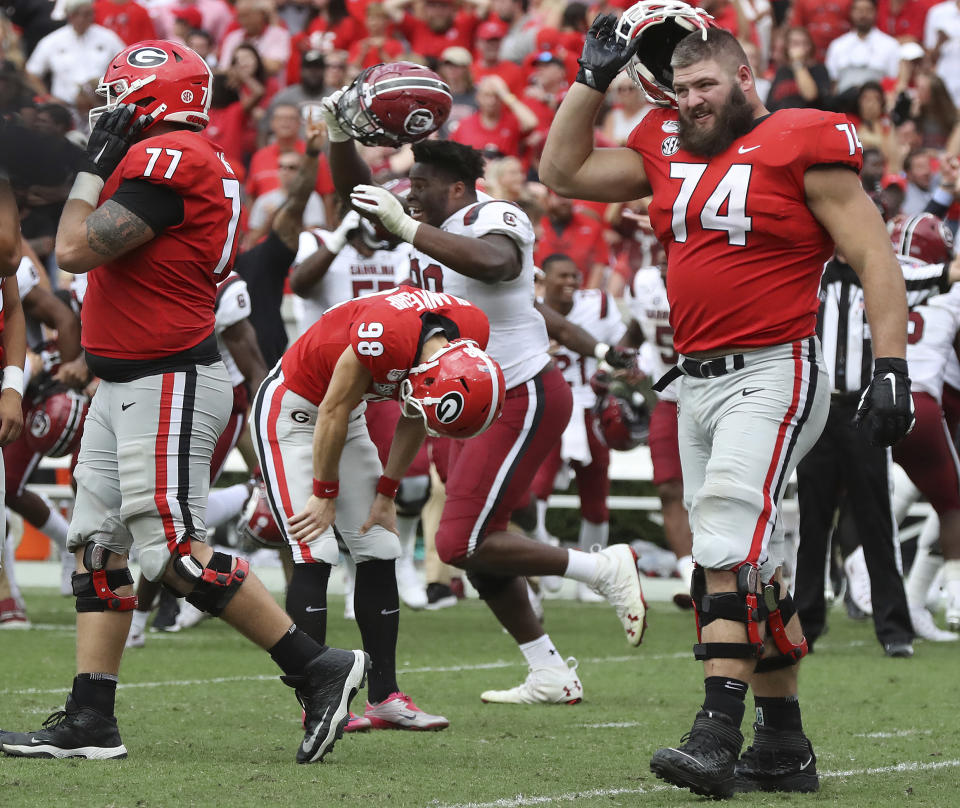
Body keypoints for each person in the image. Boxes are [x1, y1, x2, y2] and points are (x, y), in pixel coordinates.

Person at [540, 14, 913, 798]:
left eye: (706, 85)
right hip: (696, 376)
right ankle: (782, 744)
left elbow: (873, 251)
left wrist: (891, 367)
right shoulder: (662, 143)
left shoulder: (801, 137)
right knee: (746, 560)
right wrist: (587, 82)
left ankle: (716, 730)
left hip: (776, 367)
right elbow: (563, 171)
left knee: (719, 531)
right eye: (681, 90)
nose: (693, 102)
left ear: (746, 78)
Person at [0, 41, 367, 764]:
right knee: (98, 550)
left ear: (153, 100)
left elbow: (72, 249)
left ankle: (317, 667)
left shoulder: (172, 158)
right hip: (126, 378)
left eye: (119, 101)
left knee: (173, 555)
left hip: (167, 376)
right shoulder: (176, 158)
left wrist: (88, 168)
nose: (109, 116)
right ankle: (91, 718)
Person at [325, 110, 648, 706]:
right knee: (478, 546)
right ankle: (548, 670)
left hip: (516, 392)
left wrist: (408, 226)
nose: (409, 195)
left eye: (421, 185)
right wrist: (338, 133)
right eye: (408, 186)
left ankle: (602, 568)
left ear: (455, 187)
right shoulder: (417, 242)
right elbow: (360, 195)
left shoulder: (491, 215)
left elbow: (497, 262)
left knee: (459, 542)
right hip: (455, 402)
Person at [251, 287, 503, 730]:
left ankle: (384, 696)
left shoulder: (467, 337)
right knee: (316, 550)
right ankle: (318, 700)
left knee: (380, 544)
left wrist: (387, 492)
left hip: (345, 417)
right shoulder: (384, 336)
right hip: (293, 412)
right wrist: (324, 493)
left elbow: (415, 413)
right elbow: (329, 408)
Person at [531, 253, 627, 602]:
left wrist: (619, 370)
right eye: (563, 276)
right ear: (544, 279)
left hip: (588, 406)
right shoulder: (529, 307)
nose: (571, 282)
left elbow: (622, 346)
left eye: (576, 275)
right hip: (548, 406)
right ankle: (544, 561)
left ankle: (593, 574)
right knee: (537, 488)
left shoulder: (598, 305)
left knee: (596, 493)